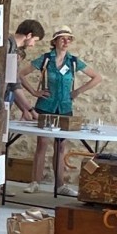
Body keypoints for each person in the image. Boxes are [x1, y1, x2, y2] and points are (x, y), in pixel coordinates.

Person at [21, 26, 104, 195]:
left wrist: (78, 91)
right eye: (63, 38)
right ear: (55, 41)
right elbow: (20, 74)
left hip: (65, 107)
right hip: (45, 106)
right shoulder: (45, 59)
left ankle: (60, 185)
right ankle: (35, 182)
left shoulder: (73, 61)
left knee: (61, 147)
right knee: (42, 144)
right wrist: (34, 92)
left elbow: (97, 77)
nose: (66, 42)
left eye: (69, 39)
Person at [6, 19, 45, 121]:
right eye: (35, 40)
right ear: (29, 35)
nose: (33, 45)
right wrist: (31, 110)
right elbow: (14, 84)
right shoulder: (8, 46)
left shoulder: (13, 49)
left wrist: (24, 109)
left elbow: (11, 85)